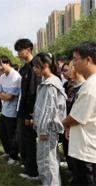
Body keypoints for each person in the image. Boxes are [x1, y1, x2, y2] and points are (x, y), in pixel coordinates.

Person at [62, 41, 96, 186]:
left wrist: (61, 124)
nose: (73, 64)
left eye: (76, 59)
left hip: (85, 150)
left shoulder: (90, 87)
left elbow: (76, 118)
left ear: (88, 60)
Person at [32, 53, 67, 186]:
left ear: (45, 66)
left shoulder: (50, 85)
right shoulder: (48, 82)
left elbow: (49, 110)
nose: (34, 70)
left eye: (36, 67)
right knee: (48, 159)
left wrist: (43, 131)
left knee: (48, 162)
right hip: (45, 129)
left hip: (47, 130)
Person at [14, 38, 41, 179]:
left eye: (20, 50)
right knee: (23, 141)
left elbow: (34, 93)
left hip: (29, 112)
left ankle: (33, 172)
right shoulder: (24, 68)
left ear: (29, 49)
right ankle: (28, 164)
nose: (18, 53)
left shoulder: (36, 66)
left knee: (30, 142)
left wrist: (30, 116)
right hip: (22, 110)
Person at [62, 60, 85, 183]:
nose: (68, 71)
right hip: (70, 130)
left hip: (81, 135)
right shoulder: (73, 88)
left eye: (71, 67)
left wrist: (66, 124)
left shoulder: (85, 88)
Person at [0, 55, 21, 165]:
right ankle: (8, 151)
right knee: (2, 133)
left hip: (13, 112)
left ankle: (14, 157)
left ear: (8, 63)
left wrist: (3, 95)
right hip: (4, 110)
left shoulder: (15, 76)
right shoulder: (2, 77)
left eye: (1, 64)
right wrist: (3, 95)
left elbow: (10, 97)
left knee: (12, 136)